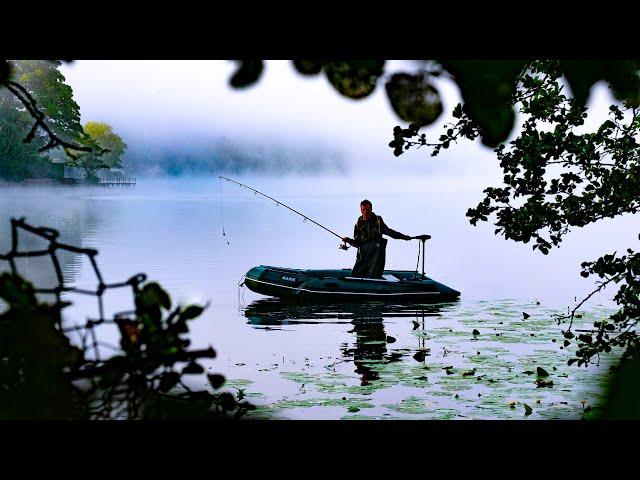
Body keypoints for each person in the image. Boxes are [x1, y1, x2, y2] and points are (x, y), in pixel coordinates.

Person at [341, 199, 411, 278]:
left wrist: (403, 237)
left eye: (367, 209)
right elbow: (357, 243)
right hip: (363, 255)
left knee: (374, 275)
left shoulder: (378, 221)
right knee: (355, 275)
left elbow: (390, 232)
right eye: (362, 209)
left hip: (376, 256)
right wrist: (349, 240)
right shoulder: (358, 224)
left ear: (371, 209)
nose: (365, 212)